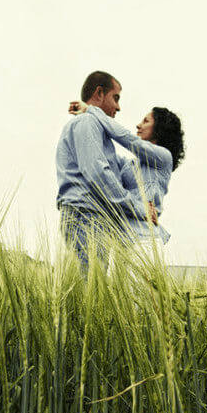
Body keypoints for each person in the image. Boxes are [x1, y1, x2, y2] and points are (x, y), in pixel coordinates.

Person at [55, 71, 154, 272]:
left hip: (87, 217)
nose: (118, 107)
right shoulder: (87, 123)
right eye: (115, 98)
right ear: (99, 93)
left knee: (91, 290)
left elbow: (116, 167)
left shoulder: (90, 125)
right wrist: (137, 207)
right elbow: (99, 173)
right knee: (90, 292)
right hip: (87, 217)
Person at [68, 101, 185, 259]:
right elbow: (103, 155)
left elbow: (127, 139)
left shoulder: (163, 158)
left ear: (159, 129)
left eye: (146, 121)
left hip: (144, 240)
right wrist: (87, 124)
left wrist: (91, 110)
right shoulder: (129, 164)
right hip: (119, 242)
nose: (138, 125)